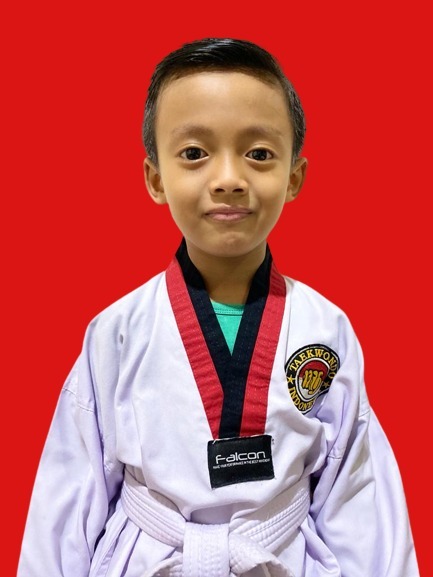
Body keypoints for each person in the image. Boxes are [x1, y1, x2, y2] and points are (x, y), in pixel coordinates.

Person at [18, 37, 419, 577]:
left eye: (259, 154)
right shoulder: (116, 331)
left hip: (281, 558)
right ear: (155, 178)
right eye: (194, 153)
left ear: (294, 178)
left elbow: (357, 491)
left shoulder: (326, 328)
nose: (229, 178)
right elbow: (69, 492)